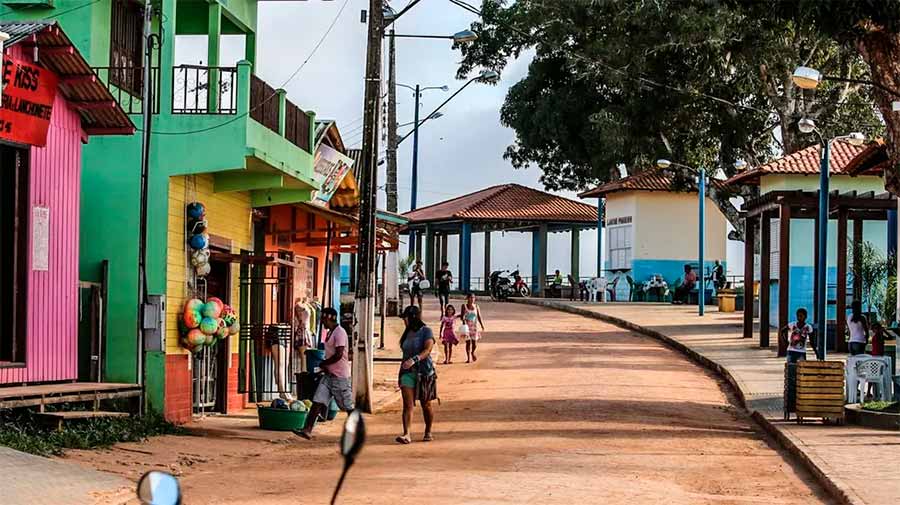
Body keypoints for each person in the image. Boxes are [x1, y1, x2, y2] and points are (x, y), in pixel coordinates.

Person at [294, 308, 352, 440]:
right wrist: (325, 366)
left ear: (329, 318)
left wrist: (324, 363)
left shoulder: (340, 333)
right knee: (317, 401)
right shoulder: (330, 332)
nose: (322, 322)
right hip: (328, 375)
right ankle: (307, 429)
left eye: (323, 319)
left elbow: (339, 354)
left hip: (339, 376)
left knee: (347, 406)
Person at [396, 305, 437, 444]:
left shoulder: (426, 331)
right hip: (407, 373)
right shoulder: (406, 333)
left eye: (405, 318)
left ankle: (428, 430)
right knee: (408, 405)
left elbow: (428, 349)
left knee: (426, 404)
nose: (404, 321)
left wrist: (415, 359)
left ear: (412, 317)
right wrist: (400, 374)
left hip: (424, 372)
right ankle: (406, 433)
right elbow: (404, 354)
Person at [461, 293, 485, 363]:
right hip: (466, 327)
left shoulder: (476, 306)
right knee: (468, 343)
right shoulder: (464, 306)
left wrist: (482, 325)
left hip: (474, 326)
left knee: (474, 343)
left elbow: (479, 316)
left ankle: (472, 352)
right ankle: (468, 357)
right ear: (467, 298)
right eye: (470, 298)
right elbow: (462, 316)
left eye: (473, 298)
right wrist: (463, 319)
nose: (472, 299)